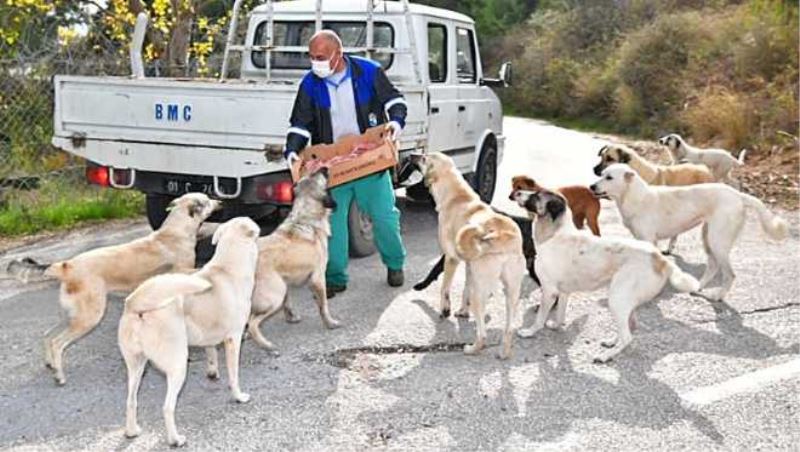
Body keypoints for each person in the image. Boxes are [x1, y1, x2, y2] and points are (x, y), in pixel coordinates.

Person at [284, 30, 407, 297]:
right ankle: (335, 277)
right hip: (333, 167)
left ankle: (395, 264)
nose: (315, 62)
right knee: (334, 226)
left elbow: (395, 100)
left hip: (369, 161)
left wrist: (396, 123)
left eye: (320, 57)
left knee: (385, 218)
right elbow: (301, 125)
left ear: (338, 54)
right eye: (311, 56)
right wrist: (292, 151)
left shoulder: (368, 72)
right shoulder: (310, 84)